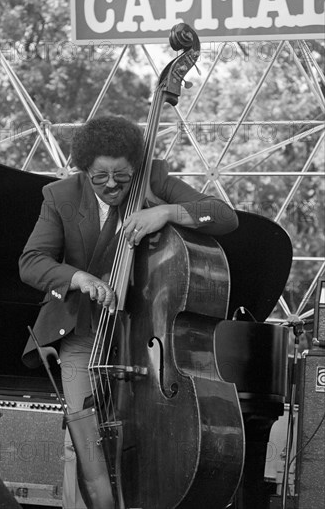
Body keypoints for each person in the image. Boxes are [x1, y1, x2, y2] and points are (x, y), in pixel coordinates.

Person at [19, 115, 239, 509]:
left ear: (135, 166)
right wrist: (80, 278)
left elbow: (224, 216)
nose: (112, 185)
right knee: (88, 443)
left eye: (122, 174)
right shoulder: (60, 196)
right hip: (85, 335)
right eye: (100, 176)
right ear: (83, 169)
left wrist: (168, 212)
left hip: (146, 340)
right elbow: (32, 261)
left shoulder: (154, 179)